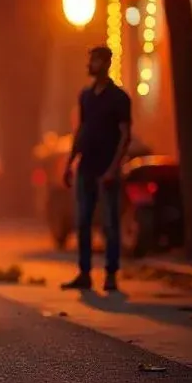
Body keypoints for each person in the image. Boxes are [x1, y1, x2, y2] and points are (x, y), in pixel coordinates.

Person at [61, 46, 131, 292]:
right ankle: (84, 272)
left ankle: (111, 274)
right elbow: (81, 130)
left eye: (94, 61)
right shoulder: (86, 96)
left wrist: (114, 169)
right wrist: (70, 162)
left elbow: (125, 136)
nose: (89, 65)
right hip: (86, 167)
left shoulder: (120, 98)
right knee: (83, 221)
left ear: (106, 63)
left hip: (107, 168)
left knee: (110, 222)